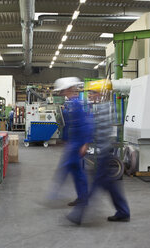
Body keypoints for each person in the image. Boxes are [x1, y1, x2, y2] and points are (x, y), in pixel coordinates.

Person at [66, 79, 130, 225]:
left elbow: (100, 131)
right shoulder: (101, 107)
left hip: (104, 153)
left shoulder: (105, 108)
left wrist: (86, 142)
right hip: (104, 152)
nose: (90, 95)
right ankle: (123, 212)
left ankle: (78, 214)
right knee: (111, 186)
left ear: (100, 93)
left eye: (92, 92)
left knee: (94, 186)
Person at [48, 77, 93, 207]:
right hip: (73, 143)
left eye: (62, 91)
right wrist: (66, 140)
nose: (61, 93)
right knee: (76, 171)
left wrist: (85, 143)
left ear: (67, 89)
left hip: (78, 144)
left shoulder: (77, 104)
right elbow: (69, 126)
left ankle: (53, 195)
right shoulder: (70, 103)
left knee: (66, 168)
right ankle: (82, 197)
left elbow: (85, 124)